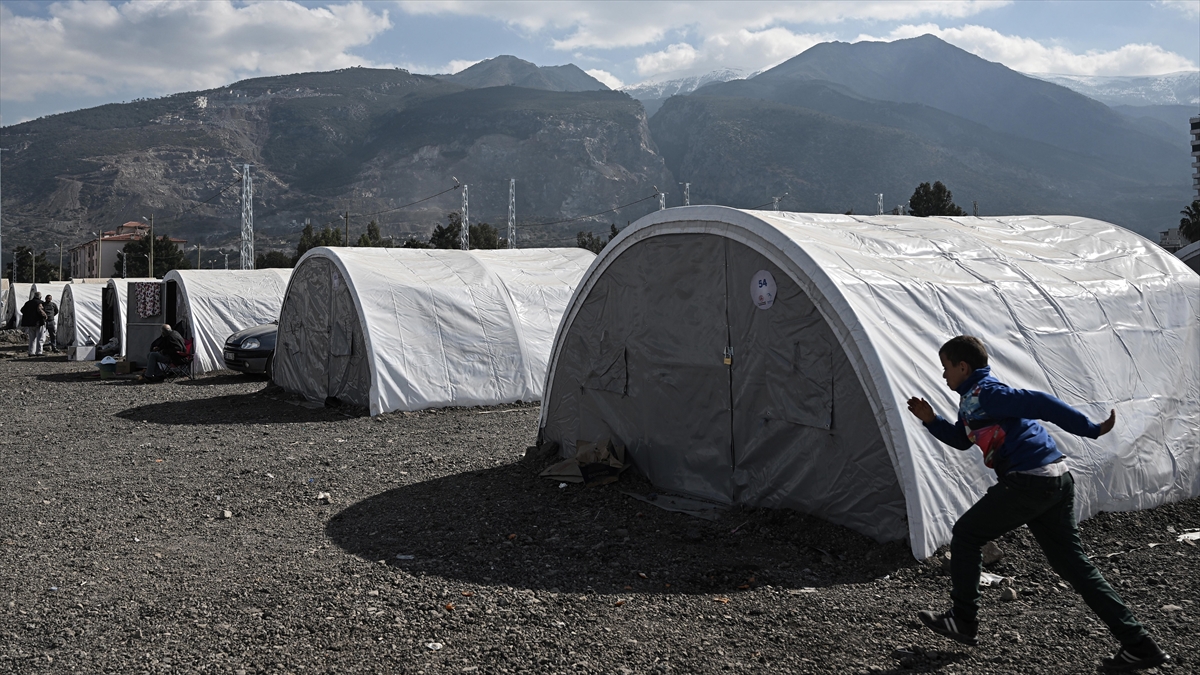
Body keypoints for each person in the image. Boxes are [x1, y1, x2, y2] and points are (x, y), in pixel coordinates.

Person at [906, 336, 1169, 672]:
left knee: (967, 535)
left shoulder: (988, 393)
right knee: (1073, 566)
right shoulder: (972, 400)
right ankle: (1139, 645)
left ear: (963, 367)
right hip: (1055, 478)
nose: (943, 375)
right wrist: (931, 420)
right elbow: (962, 439)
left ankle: (963, 619)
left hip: (1030, 480)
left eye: (946, 368)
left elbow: (1040, 402)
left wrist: (1091, 429)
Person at [19, 292, 47, 357]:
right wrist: (45, 316)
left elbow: (22, 310)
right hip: (39, 322)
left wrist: (29, 315)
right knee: (40, 338)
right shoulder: (40, 303)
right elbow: (40, 311)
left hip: (30, 323)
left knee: (32, 338)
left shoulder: (28, 303)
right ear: (40, 297)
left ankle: (31, 352)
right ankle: (39, 352)